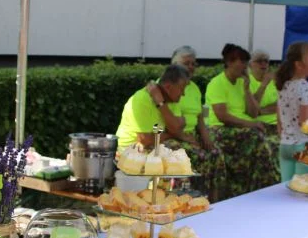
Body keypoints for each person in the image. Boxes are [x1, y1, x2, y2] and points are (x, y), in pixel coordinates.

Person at [205, 43, 279, 198]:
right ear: (230, 62)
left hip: (244, 128)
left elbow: (253, 113)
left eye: (246, 62)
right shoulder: (217, 83)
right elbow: (222, 116)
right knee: (259, 140)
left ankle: (256, 187)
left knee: (270, 142)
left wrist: (246, 90)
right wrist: (251, 124)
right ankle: (265, 187)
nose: (245, 66)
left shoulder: (242, 82)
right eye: (242, 62)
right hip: (221, 129)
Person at [161, 46, 227, 200]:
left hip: (189, 135)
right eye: (186, 63)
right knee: (196, 155)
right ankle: (184, 199)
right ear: (174, 64)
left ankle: (214, 200)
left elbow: (199, 117)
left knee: (215, 153)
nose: (191, 67)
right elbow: (171, 123)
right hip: (170, 135)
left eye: (193, 64)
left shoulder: (195, 88)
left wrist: (206, 137)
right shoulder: (166, 86)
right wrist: (187, 138)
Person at [275, 41, 308, 182]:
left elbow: (279, 122)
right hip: (306, 144)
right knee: (304, 191)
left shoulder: (283, 87)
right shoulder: (307, 88)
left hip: (285, 145)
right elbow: (305, 123)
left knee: (286, 190)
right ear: (299, 64)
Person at [115, 64, 190, 148]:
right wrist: (173, 134)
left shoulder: (171, 100)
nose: (183, 94)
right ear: (168, 87)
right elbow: (145, 140)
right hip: (129, 152)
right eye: (182, 88)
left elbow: (178, 128)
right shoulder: (142, 99)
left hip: (153, 149)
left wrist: (161, 103)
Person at [248, 49, 279, 132]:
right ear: (250, 64)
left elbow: (281, 105)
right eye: (259, 61)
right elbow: (251, 110)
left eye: (266, 61)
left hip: (278, 123)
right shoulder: (246, 81)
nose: (263, 64)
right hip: (258, 125)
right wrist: (263, 85)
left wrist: (260, 111)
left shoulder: (274, 81)